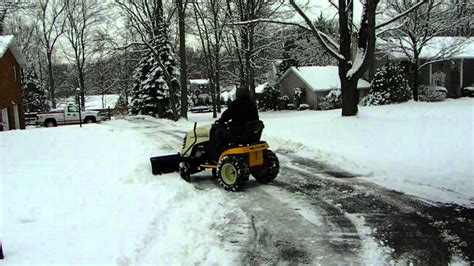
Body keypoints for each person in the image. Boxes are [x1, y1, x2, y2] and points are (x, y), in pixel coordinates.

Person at [209, 86, 259, 162]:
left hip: (239, 132)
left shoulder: (236, 104)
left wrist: (220, 121)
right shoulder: (252, 104)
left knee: (218, 132)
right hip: (250, 132)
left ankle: (215, 156)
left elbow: (227, 115)